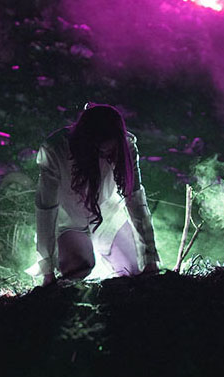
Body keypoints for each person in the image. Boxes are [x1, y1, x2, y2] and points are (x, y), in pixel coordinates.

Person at [35, 103, 160, 286]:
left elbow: (135, 200)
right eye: (100, 151)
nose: (106, 156)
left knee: (135, 271)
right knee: (80, 266)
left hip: (108, 220)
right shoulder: (55, 150)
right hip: (69, 226)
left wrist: (150, 258)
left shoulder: (126, 146)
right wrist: (47, 270)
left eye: (110, 151)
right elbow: (46, 210)